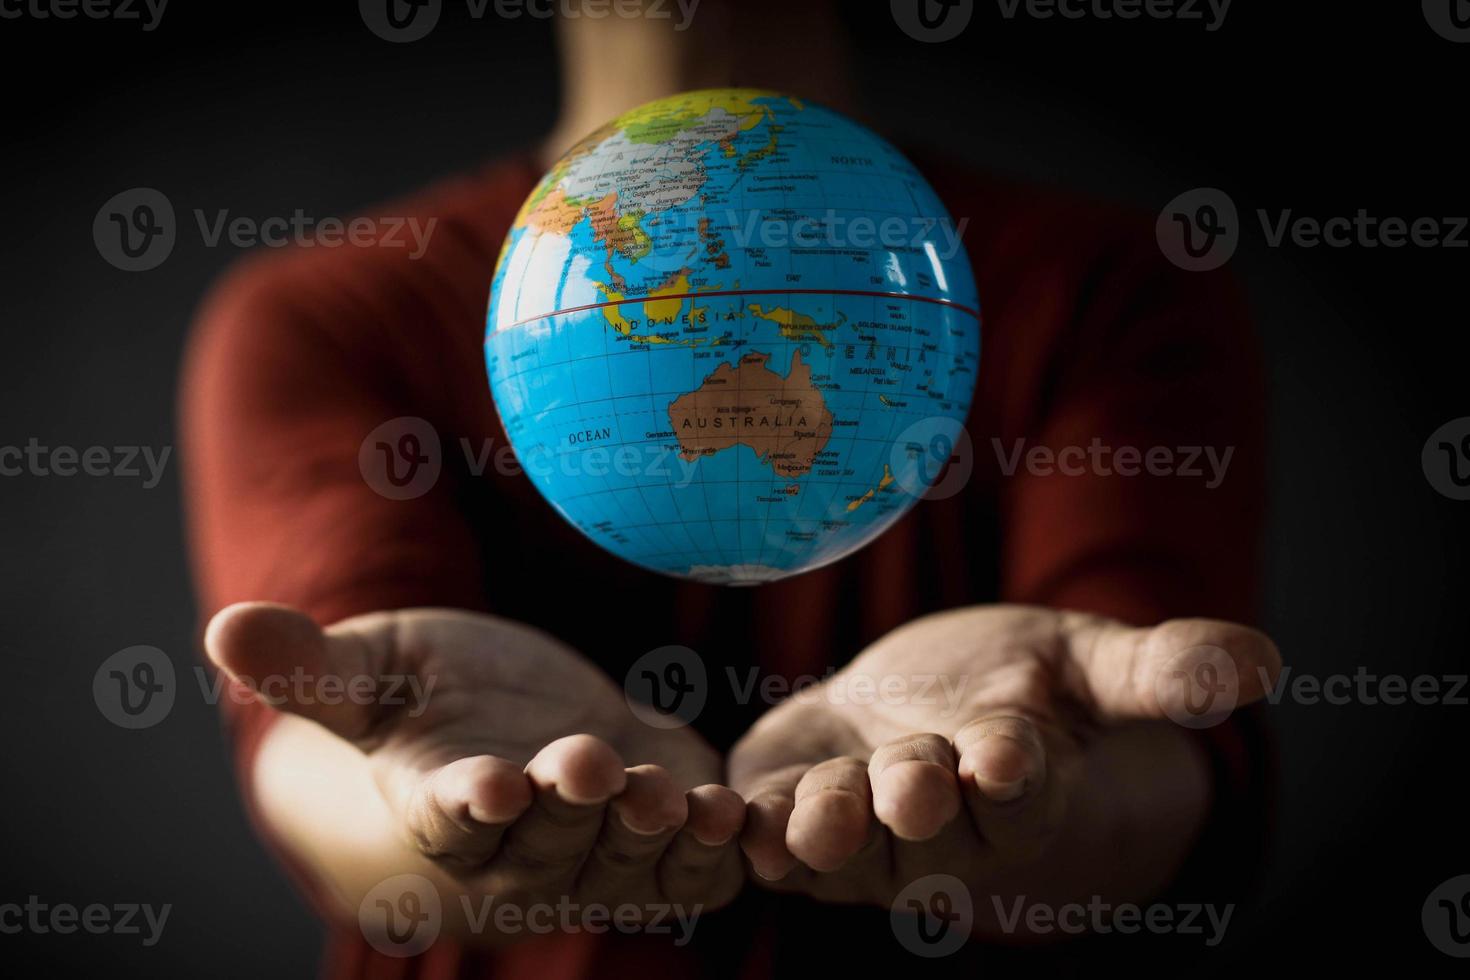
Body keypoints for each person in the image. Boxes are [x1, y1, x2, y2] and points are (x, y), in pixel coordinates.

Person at [180, 2, 1280, 976]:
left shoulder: (1112, 286)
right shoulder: (321, 311)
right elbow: (314, 749)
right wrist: (431, 793)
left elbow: (1166, 757)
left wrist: (1042, 785)